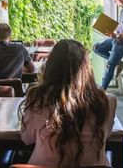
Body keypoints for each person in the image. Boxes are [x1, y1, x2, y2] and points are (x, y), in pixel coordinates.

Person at [19, 39, 117, 168]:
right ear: (87, 69)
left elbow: (27, 138)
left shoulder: (38, 97)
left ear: (50, 67)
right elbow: (106, 134)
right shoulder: (108, 102)